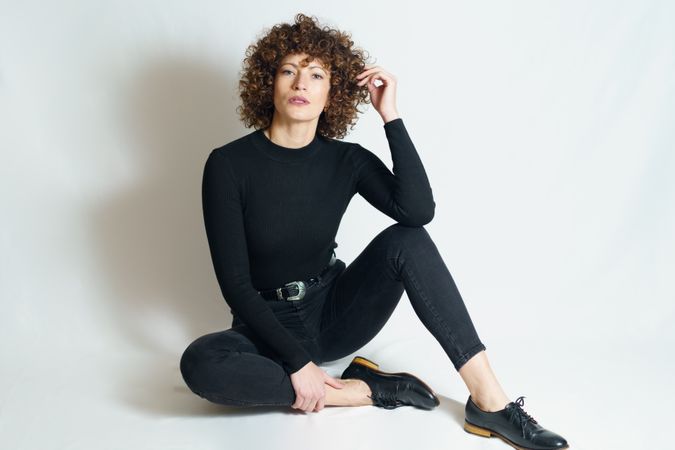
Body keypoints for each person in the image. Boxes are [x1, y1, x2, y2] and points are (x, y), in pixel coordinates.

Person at [180, 13, 568, 450]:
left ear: (332, 93)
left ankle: (489, 402)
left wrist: (391, 116)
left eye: (316, 74)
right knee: (199, 363)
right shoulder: (228, 165)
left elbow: (416, 211)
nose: (300, 83)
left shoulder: (348, 160)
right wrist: (297, 362)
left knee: (407, 240)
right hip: (263, 328)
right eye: (289, 70)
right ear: (269, 83)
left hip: (332, 315)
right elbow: (234, 284)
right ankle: (361, 390)